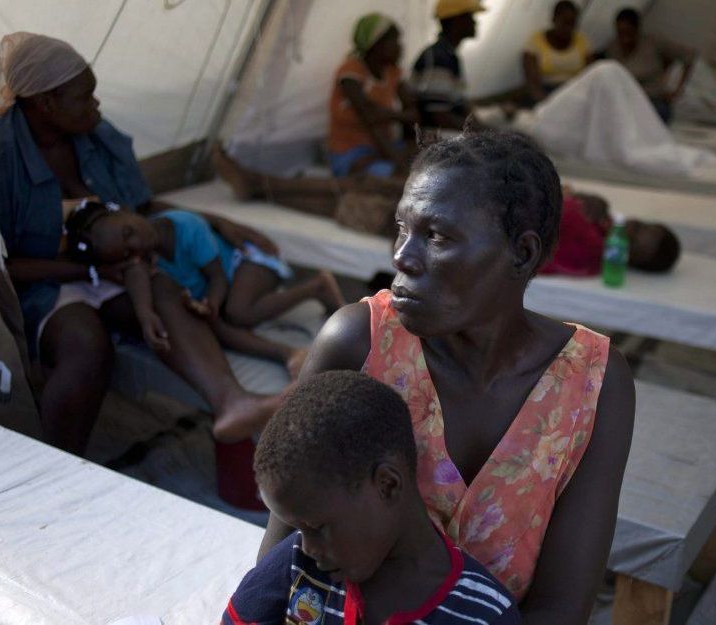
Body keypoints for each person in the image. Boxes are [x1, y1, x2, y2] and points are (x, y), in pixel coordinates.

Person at [258, 131, 636, 624]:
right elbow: (282, 555)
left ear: (521, 253)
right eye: (402, 228)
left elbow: (561, 606)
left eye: (436, 236)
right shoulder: (359, 344)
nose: (402, 257)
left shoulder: (594, 385)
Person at [0, 32, 282, 453]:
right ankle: (55, 466)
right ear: (45, 103)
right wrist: (88, 271)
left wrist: (218, 221)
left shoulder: (95, 135)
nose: (96, 104)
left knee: (167, 291)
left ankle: (231, 402)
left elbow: (139, 207)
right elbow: (3, 266)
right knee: (87, 346)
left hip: (118, 271)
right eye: (84, 97)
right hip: (47, 283)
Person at [224, 371, 521, 624]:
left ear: (388, 485)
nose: (309, 546)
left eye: (318, 527)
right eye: (300, 529)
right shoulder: (298, 564)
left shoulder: (485, 614)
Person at [63, 203, 346, 412]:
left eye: (128, 233)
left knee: (238, 312)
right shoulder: (142, 257)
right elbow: (135, 276)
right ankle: (289, 355)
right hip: (221, 286)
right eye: (126, 253)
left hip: (246, 262)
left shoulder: (185, 226)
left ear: (126, 210)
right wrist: (147, 314)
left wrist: (212, 301)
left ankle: (317, 286)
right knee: (217, 326)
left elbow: (217, 277)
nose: (136, 246)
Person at [329, 13, 418, 178]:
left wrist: (385, 114)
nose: (400, 47)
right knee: (397, 177)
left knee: (433, 152)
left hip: (383, 147)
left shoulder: (393, 72)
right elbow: (370, 118)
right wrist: (400, 163)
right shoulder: (351, 72)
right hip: (351, 152)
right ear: (376, 45)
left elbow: (413, 114)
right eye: (395, 41)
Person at [541, 191, 681, 275]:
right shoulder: (601, 215)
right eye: (638, 226)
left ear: (628, 261)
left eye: (630, 241)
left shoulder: (591, 251)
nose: (629, 228)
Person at [604, 7, 696, 123]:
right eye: (620, 34)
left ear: (637, 30)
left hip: (651, 100)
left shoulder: (653, 43)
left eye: (629, 33)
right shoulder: (612, 48)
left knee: (658, 114)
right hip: (624, 101)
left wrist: (677, 89)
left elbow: (689, 56)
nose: (625, 40)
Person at [412, 0, 487, 130]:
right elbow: (440, 117)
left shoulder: (448, 54)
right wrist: (482, 132)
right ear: (457, 21)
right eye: (470, 16)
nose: (475, 22)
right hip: (436, 137)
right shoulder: (437, 58)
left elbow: (462, 106)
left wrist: (484, 128)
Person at [522, 1, 594, 105]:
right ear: (554, 20)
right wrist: (550, 105)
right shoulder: (535, 44)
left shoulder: (583, 42)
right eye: (565, 23)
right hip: (547, 93)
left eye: (572, 24)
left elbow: (591, 76)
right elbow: (533, 86)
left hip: (577, 92)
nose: (568, 28)